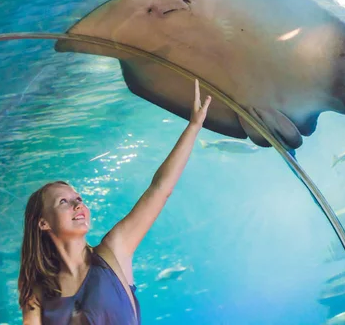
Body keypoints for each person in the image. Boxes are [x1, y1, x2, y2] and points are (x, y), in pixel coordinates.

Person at [18, 79, 212, 324]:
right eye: (63, 202)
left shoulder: (114, 251)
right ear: (43, 223)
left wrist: (194, 126)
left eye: (79, 199)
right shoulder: (36, 290)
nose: (78, 205)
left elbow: (160, 189)